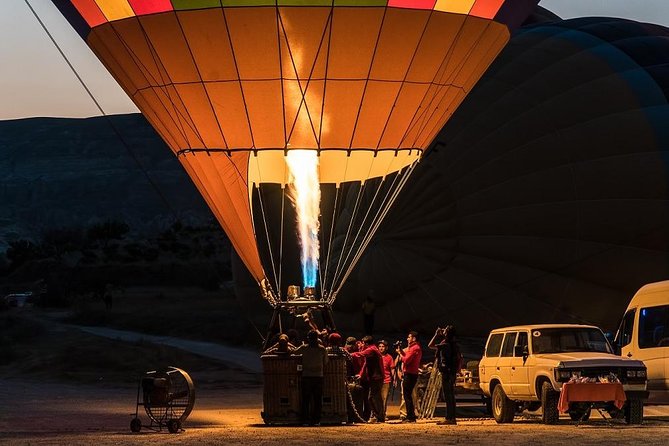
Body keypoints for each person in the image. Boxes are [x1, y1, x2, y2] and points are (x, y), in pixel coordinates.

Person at [293, 330, 329, 426]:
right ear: (317, 338)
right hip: (318, 376)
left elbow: (294, 352)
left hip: (307, 376)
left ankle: (305, 420)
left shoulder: (304, 348)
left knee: (306, 399)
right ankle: (316, 420)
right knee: (317, 400)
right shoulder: (322, 349)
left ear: (308, 338)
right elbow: (326, 362)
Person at [429, 325, 460, 425]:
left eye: (445, 330)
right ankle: (452, 418)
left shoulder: (446, 344)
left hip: (447, 372)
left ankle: (449, 418)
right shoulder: (454, 344)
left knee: (448, 396)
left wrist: (436, 335)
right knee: (451, 395)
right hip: (451, 372)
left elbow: (430, 345)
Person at [351, 335, 385, 422]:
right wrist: (361, 374)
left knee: (374, 397)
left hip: (376, 377)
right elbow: (366, 363)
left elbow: (361, 355)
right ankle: (379, 416)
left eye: (363, 343)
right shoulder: (372, 349)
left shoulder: (371, 349)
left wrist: (349, 354)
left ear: (366, 343)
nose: (361, 345)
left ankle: (380, 416)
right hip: (374, 377)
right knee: (373, 397)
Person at [396, 330, 422, 422]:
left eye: (409, 337)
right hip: (412, 374)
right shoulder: (416, 347)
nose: (407, 338)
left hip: (410, 374)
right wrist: (401, 351)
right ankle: (411, 416)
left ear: (414, 338)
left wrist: (399, 353)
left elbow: (406, 361)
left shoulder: (414, 348)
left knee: (407, 395)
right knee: (408, 395)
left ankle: (410, 417)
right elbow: (407, 357)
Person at [378, 340, 395, 414]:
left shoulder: (389, 357)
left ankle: (383, 414)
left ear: (386, 348)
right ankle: (376, 414)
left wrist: (394, 379)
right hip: (377, 380)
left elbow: (392, 369)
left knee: (384, 398)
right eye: (380, 346)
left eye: (383, 346)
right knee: (376, 398)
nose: (381, 348)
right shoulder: (376, 356)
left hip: (386, 380)